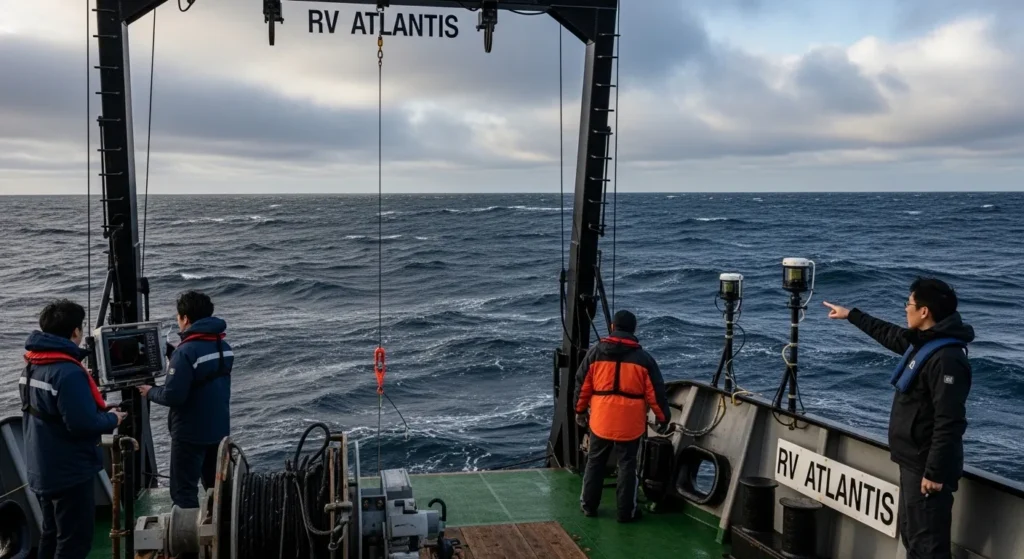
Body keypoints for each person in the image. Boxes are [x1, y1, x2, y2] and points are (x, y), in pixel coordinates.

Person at [823, 277, 973, 559]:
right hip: (911, 460)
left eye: (910, 304)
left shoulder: (948, 358)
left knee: (928, 547)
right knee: (912, 536)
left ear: (925, 312)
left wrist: (935, 472)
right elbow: (889, 334)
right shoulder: (924, 342)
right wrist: (851, 315)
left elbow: (949, 421)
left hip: (926, 468)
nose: (906, 309)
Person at [19, 299, 127, 559]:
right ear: (75, 332)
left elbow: (50, 411)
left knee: (51, 533)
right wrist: (113, 419)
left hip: (42, 468)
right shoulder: (68, 372)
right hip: (69, 472)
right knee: (73, 542)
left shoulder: (32, 366)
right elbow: (82, 425)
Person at [573, 310, 671, 522]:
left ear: (612, 328)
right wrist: (663, 419)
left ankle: (589, 506)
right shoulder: (644, 360)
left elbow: (582, 387)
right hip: (630, 424)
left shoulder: (595, 353)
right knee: (627, 465)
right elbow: (656, 393)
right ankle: (626, 512)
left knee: (595, 462)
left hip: (601, 420)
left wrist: (580, 412)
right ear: (634, 330)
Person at [139, 290, 233, 509]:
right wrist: (174, 354)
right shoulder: (223, 347)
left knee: (184, 493)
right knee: (215, 488)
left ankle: (187, 537)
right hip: (218, 430)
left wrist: (149, 391)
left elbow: (173, 396)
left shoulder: (186, 353)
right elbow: (203, 372)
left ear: (185, 319)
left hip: (190, 435)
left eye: (178, 317)